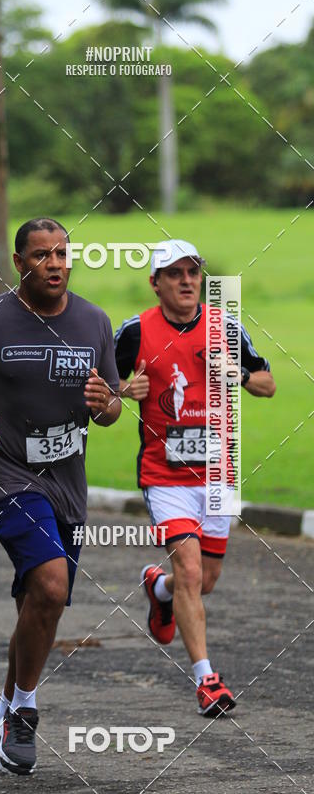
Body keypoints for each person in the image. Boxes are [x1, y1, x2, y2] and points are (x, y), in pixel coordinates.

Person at [0, 217, 121, 774]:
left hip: (68, 485)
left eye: (62, 253)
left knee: (38, 605)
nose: (55, 264)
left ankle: (4, 710)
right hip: (7, 476)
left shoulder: (94, 322)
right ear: (19, 263)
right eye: (41, 255)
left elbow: (109, 411)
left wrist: (105, 401)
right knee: (52, 587)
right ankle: (26, 713)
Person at [114, 240, 276, 716]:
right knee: (188, 569)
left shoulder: (225, 327)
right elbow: (98, 389)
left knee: (203, 581)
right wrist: (125, 389)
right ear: (156, 283)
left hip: (218, 473)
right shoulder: (134, 332)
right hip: (163, 475)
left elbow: (268, 382)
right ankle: (207, 680)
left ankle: (157, 590)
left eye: (193, 272)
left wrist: (239, 376)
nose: (187, 280)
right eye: (174, 273)